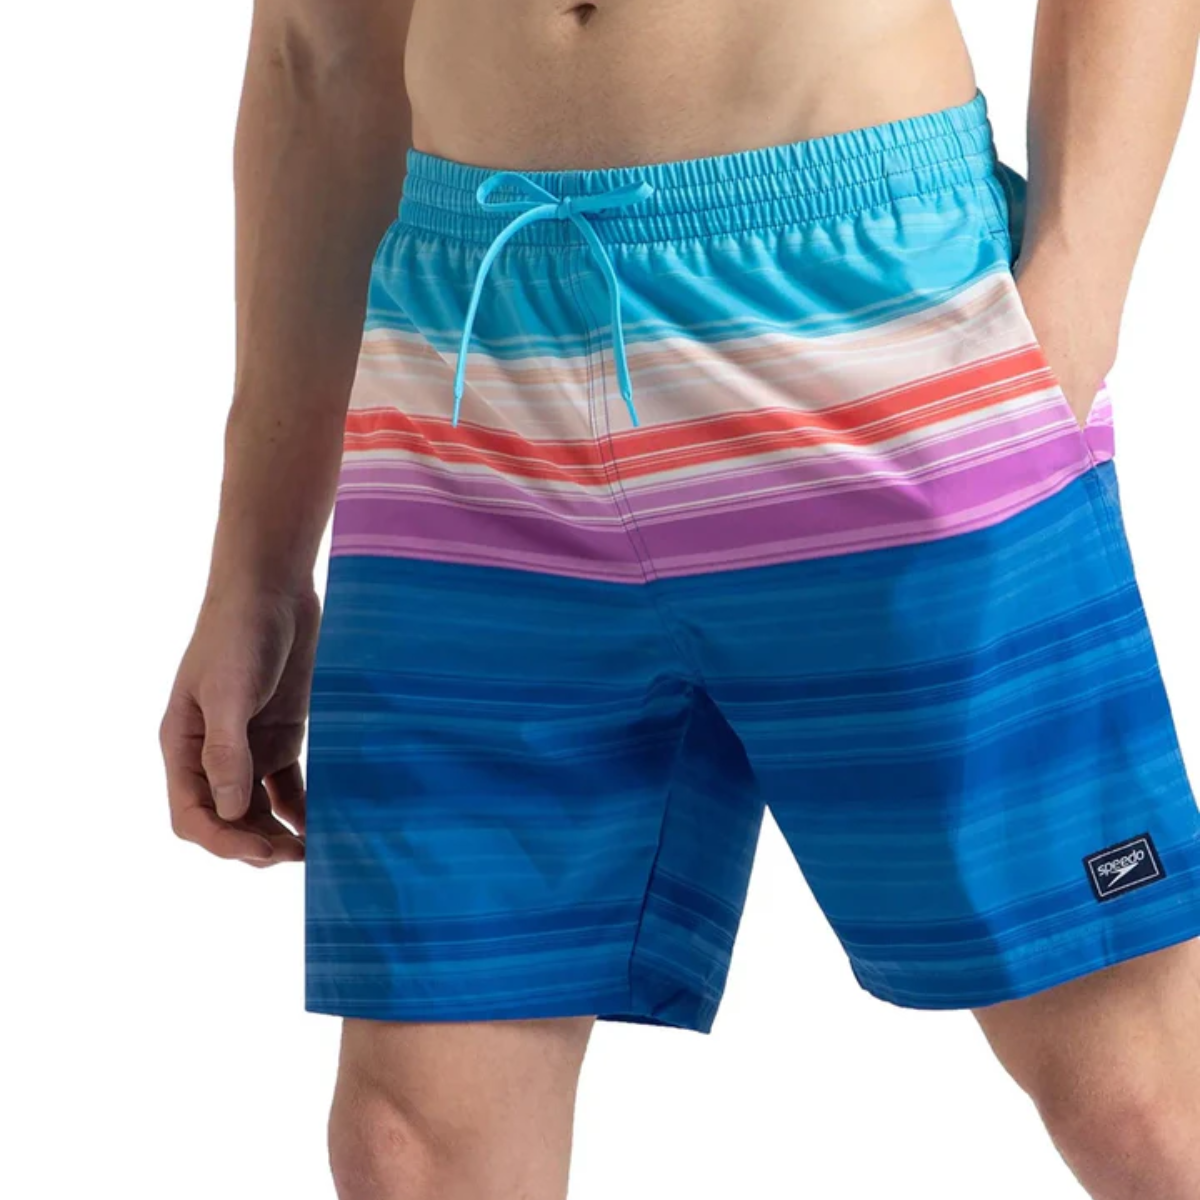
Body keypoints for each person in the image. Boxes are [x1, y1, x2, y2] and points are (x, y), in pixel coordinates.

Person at [159, 1, 1200, 1195]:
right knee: (412, 1141)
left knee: (1137, 1090)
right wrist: (256, 562)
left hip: (865, 314)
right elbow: (322, 51)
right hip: (468, 361)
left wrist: (1069, 311)